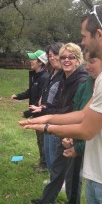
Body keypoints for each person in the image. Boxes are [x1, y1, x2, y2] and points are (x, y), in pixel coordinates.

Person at [19, 4, 102, 204]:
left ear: (100, 35)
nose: (82, 43)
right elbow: (85, 113)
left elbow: (85, 128)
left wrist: (45, 126)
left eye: (84, 36)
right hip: (98, 175)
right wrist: (49, 115)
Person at [26, 43, 88, 204]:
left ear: (78, 60)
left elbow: (75, 110)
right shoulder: (64, 78)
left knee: (73, 172)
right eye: (63, 57)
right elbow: (61, 106)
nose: (66, 60)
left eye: (71, 57)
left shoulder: (81, 80)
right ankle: (48, 198)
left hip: (75, 130)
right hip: (63, 126)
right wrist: (46, 111)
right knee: (57, 167)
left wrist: (50, 118)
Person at [59, 52, 102, 204]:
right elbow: (77, 109)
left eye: (92, 62)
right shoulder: (85, 84)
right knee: (73, 172)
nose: (87, 67)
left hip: (97, 145)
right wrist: (70, 134)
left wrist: (78, 146)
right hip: (79, 134)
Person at [11, 50, 49, 172]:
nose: (30, 61)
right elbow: (31, 92)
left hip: (42, 115)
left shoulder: (44, 78)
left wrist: (28, 113)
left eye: (33, 59)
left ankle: (44, 165)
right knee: (39, 139)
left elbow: (42, 100)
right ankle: (43, 162)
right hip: (35, 113)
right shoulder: (35, 75)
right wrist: (18, 96)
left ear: (40, 62)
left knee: (43, 140)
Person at [29, 42, 64, 174]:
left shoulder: (65, 75)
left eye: (56, 54)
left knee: (56, 153)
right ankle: (53, 178)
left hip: (57, 119)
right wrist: (41, 104)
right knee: (49, 152)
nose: (53, 57)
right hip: (46, 116)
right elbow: (47, 93)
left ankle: (60, 183)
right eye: (50, 55)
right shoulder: (51, 73)